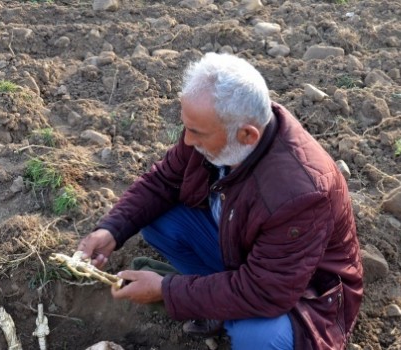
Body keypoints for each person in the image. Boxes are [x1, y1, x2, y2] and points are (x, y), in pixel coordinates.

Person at [77, 53, 363, 350]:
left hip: (303, 296)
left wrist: (167, 290)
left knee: (257, 338)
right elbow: (163, 181)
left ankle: (222, 309)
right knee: (158, 219)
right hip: (244, 252)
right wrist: (111, 229)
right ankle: (216, 303)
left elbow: (265, 291)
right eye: (186, 127)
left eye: (196, 132)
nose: (187, 141)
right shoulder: (218, 128)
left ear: (247, 135)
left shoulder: (300, 193)